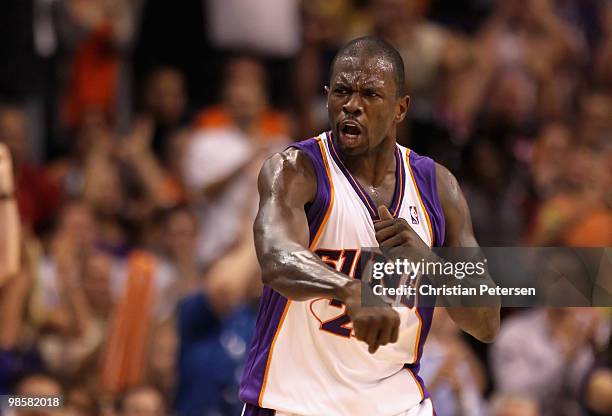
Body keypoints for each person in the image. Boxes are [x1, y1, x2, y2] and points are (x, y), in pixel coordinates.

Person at [239, 36, 500, 416]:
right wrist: (348, 289)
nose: (351, 105)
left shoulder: (438, 187)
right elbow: (276, 259)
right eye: (341, 91)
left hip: (396, 405)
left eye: (369, 94)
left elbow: (488, 321)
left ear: (400, 108)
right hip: (294, 404)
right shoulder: (297, 169)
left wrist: (431, 265)